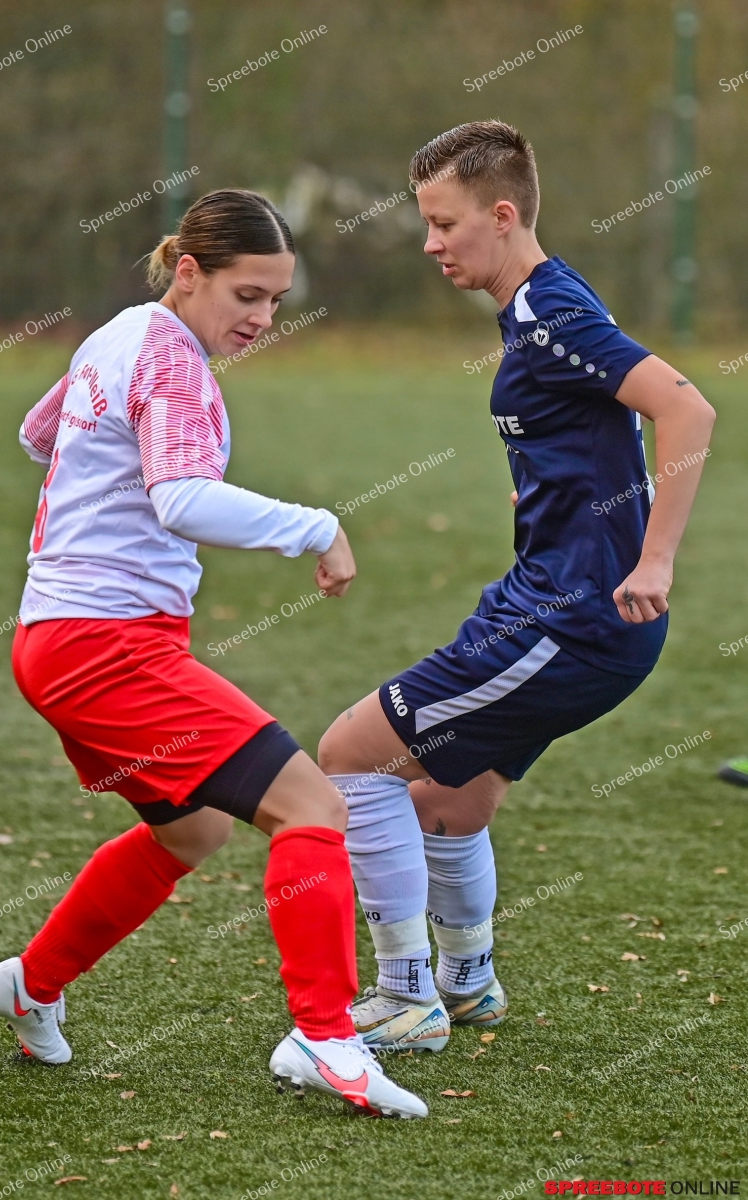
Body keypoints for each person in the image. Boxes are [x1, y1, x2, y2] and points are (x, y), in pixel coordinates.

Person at [0, 188, 426, 1118]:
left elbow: (38, 434)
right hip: (103, 647)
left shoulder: (120, 333)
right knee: (313, 805)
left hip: (58, 638)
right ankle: (325, 1037)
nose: (261, 318)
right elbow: (178, 498)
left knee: (194, 830)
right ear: (188, 273)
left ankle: (31, 984)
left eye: (275, 301)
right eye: (245, 295)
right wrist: (317, 526)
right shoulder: (172, 360)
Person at [317, 121, 716, 1053]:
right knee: (446, 803)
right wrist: (553, 490)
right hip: (563, 606)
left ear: (501, 215)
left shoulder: (549, 312)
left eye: (443, 222)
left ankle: (404, 999)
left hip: (568, 620)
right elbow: (600, 425)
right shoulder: (541, 300)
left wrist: (654, 557)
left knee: (347, 757)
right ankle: (466, 984)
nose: (430, 243)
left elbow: (685, 408)